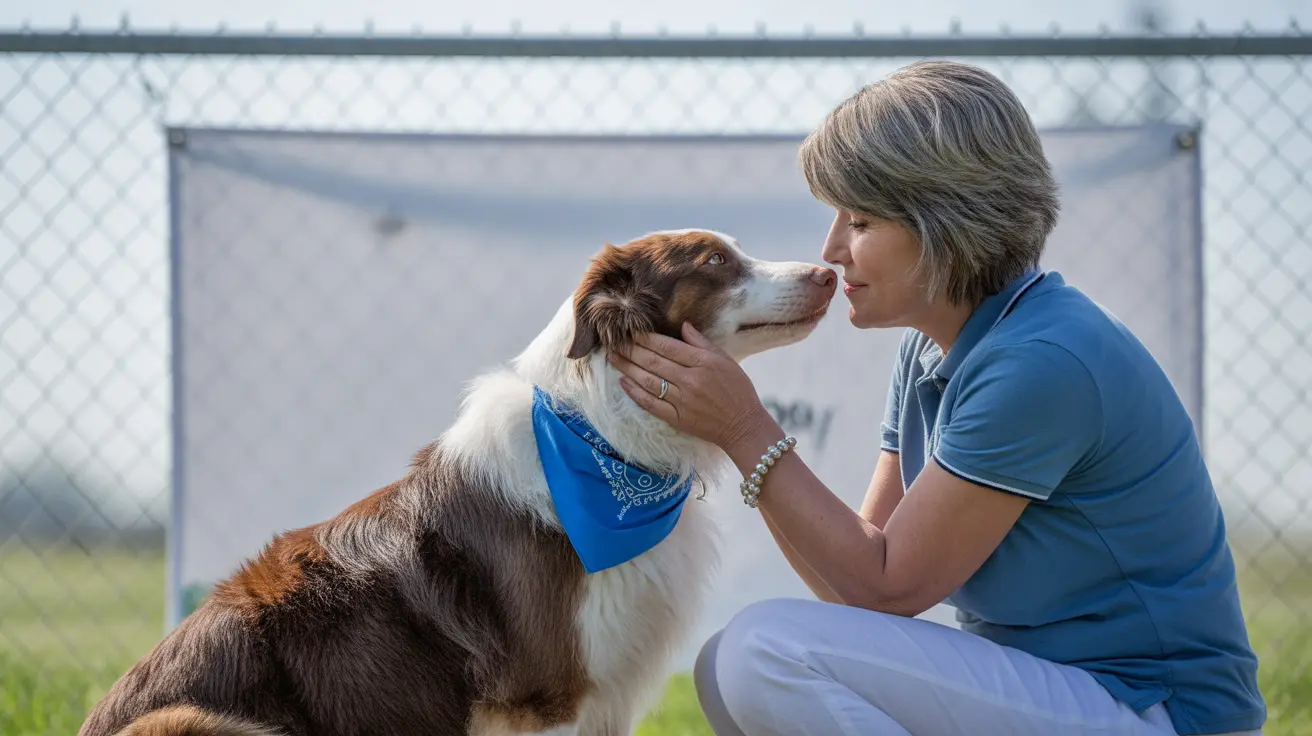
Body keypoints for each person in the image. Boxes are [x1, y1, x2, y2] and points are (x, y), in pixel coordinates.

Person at [606, 60, 1266, 736]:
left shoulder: (1041, 362)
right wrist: (735, 431)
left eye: (860, 220)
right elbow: (856, 594)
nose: (833, 249)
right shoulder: (933, 349)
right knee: (725, 667)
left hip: (1156, 711)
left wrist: (743, 428)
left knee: (763, 651)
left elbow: (887, 586)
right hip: (1068, 695)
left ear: (947, 219)